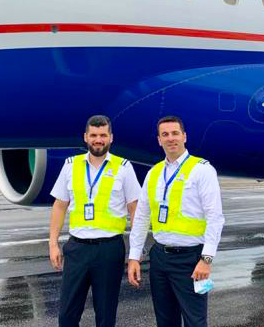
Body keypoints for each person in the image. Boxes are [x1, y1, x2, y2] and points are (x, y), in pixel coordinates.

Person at [127, 116, 225, 327]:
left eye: (175, 133)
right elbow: (142, 217)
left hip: (191, 259)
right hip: (160, 257)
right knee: (165, 321)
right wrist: (134, 257)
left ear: (184, 136)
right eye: (165, 135)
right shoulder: (153, 174)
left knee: (195, 321)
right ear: (159, 140)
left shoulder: (202, 170)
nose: (170, 138)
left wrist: (206, 259)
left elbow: (215, 216)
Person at [49, 115, 141, 327]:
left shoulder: (123, 167)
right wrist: (53, 243)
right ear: (85, 137)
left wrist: (135, 252)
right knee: (67, 315)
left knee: (106, 315)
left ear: (111, 138)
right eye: (93, 135)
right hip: (77, 248)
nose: (98, 139)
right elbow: (59, 205)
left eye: (102, 135)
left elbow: (135, 210)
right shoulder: (70, 166)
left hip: (109, 250)